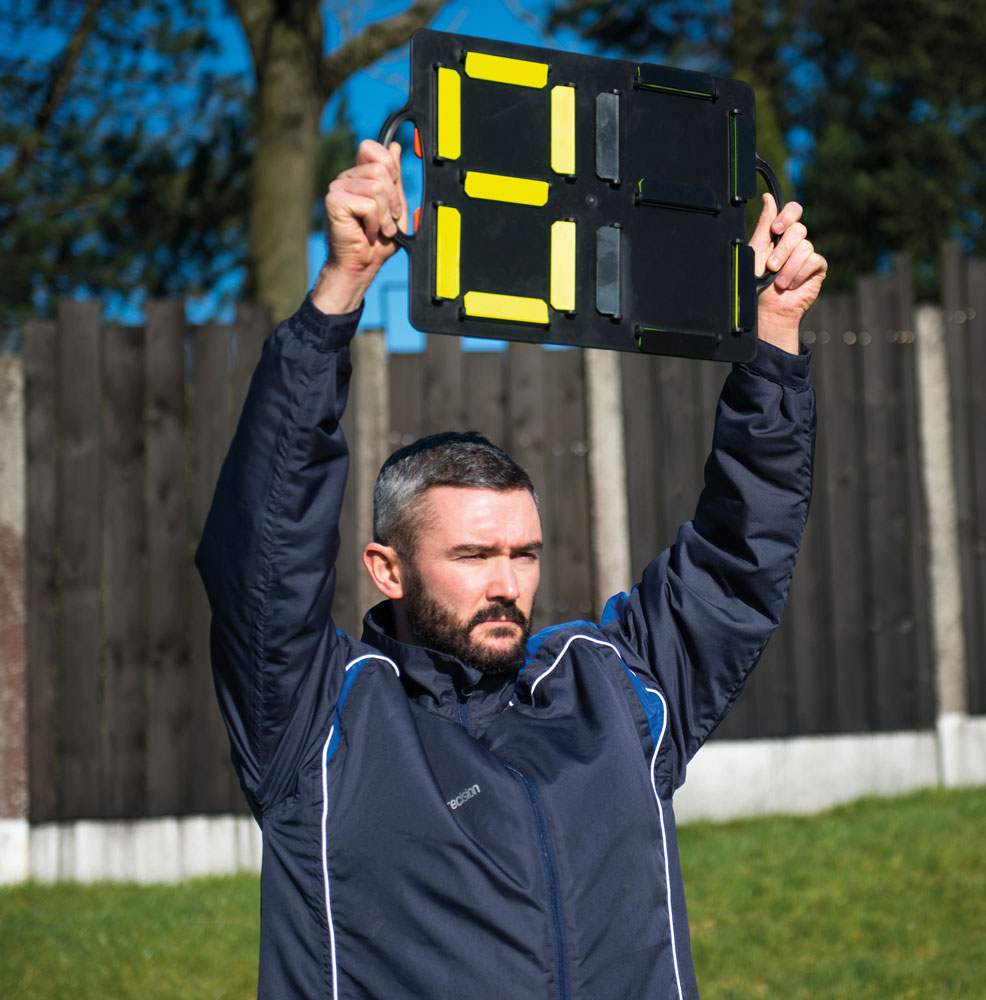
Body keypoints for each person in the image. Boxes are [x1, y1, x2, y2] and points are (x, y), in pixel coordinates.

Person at [197, 139, 826, 999]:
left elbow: (737, 561)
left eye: (523, 553)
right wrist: (338, 294)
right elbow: (263, 550)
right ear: (387, 568)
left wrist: (776, 345)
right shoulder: (317, 721)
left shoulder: (616, 688)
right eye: (472, 555)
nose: (507, 583)